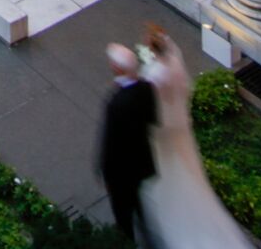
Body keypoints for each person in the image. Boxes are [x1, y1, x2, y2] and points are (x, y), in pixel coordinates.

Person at [137, 23, 251, 247]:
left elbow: (150, 104)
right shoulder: (174, 59)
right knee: (188, 170)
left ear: (151, 48)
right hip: (179, 126)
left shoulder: (154, 75)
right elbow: (186, 90)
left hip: (164, 131)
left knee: (171, 173)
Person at [97, 43, 160, 241]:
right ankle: (148, 235)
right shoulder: (147, 88)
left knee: (123, 215)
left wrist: (105, 173)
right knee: (137, 201)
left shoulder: (116, 103)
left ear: (117, 69)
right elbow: (153, 119)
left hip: (121, 173)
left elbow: (110, 144)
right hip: (141, 162)